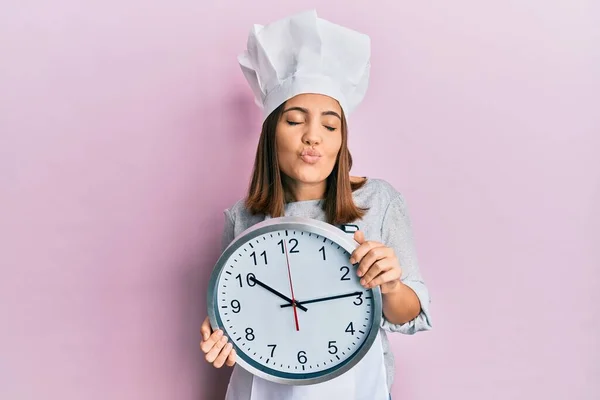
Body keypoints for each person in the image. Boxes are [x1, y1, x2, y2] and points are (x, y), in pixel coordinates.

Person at [199, 10, 432, 400]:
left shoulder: (378, 201)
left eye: (329, 125)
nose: (313, 138)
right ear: (272, 133)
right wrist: (221, 334)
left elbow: (408, 315)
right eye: (295, 121)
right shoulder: (241, 218)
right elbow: (235, 312)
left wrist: (390, 285)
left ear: (342, 140)